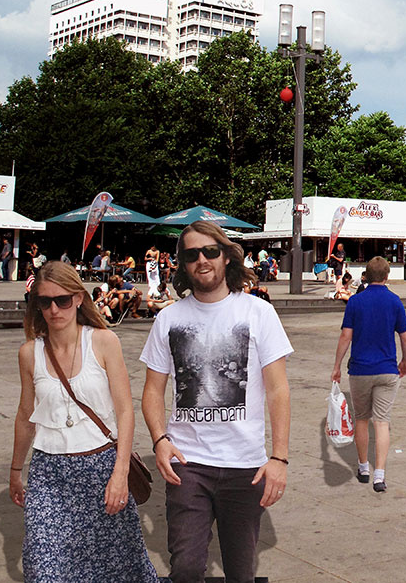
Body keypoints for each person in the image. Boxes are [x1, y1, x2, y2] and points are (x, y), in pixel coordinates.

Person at [140, 220, 292, 583]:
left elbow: (278, 390)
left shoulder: (258, 313)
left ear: (226, 256)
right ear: (182, 263)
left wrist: (279, 458)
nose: (202, 260)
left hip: (245, 466)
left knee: (240, 572)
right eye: (191, 254)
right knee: (186, 568)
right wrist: (160, 440)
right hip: (187, 464)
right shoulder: (168, 319)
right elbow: (152, 390)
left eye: (210, 251)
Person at [9, 262, 157, 582]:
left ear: (78, 299)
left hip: (100, 468)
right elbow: (24, 415)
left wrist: (120, 473)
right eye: (45, 301)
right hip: (48, 472)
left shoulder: (103, 342)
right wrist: (15, 470)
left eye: (62, 300)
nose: (54, 309)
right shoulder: (29, 353)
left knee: (113, 569)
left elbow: (125, 411)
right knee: (44, 568)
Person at [330, 255, 406, 493]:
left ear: (366, 275)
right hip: (387, 369)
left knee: (362, 419)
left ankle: (364, 467)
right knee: (382, 422)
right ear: (386, 276)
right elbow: (405, 336)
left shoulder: (355, 301)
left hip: (360, 370)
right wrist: (405, 361)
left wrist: (337, 366)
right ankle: (380, 475)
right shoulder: (394, 301)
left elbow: (346, 336)